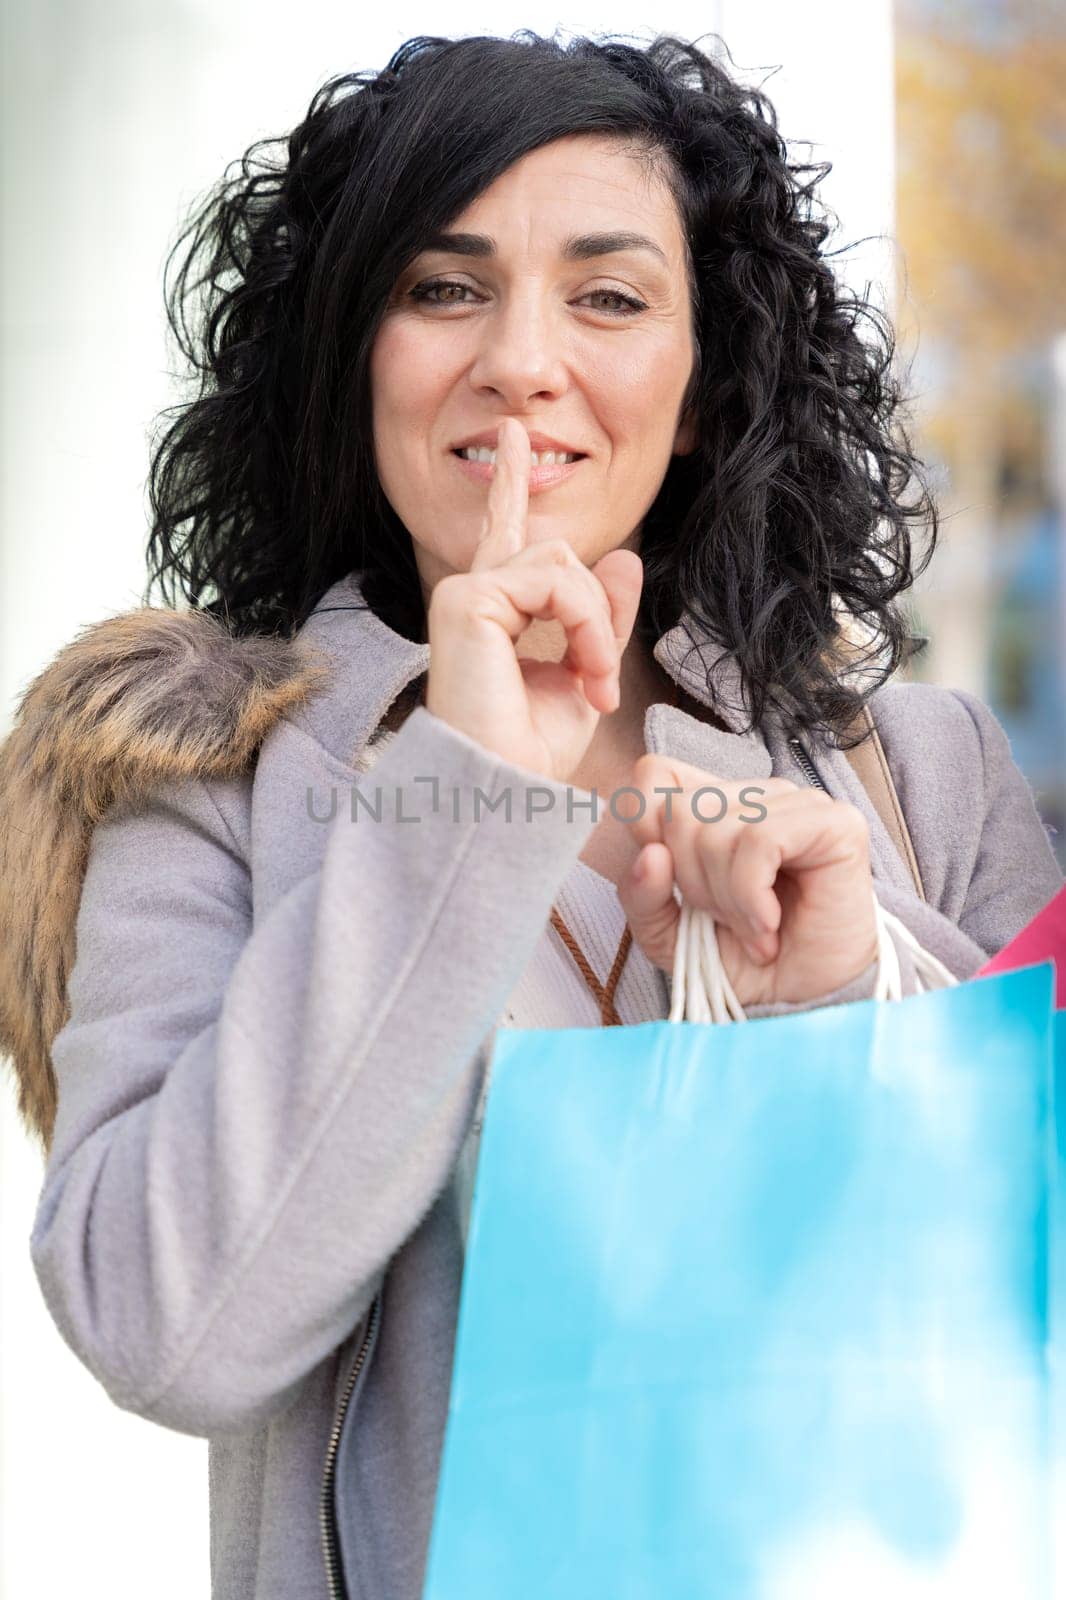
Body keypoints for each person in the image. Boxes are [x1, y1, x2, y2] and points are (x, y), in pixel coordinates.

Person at [1, 29, 1061, 1600]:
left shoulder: (928, 773)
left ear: (704, 394)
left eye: (610, 296)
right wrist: (463, 801)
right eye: (441, 288)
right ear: (354, 362)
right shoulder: (206, 794)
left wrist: (854, 985)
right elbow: (175, 1332)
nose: (518, 358)